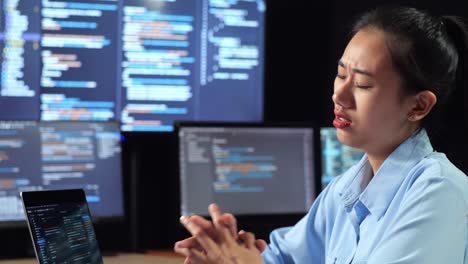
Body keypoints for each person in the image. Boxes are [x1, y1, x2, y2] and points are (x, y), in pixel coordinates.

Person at [174, 6, 468, 264]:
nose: (339, 95)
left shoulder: (441, 193)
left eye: (363, 84)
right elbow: (283, 257)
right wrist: (225, 251)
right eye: (341, 75)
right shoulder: (345, 190)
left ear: (418, 105)